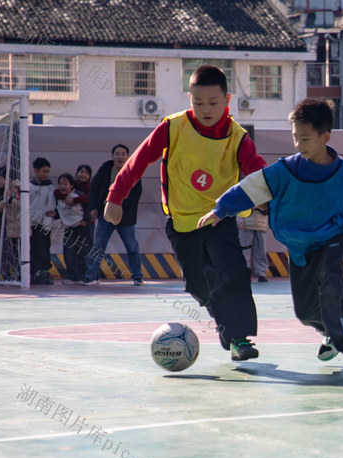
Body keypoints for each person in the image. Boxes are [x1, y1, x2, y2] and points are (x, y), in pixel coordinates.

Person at [203, 98, 343, 376]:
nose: (298, 144)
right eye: (295, 137)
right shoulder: (284, 172)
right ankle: (331, 332)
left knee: (332, 282)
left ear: (325, 137)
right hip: (300, 246)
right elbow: (250, 188)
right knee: (305, 311)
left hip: (334, 237)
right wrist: (221, 208)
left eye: (305, 138)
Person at [102, 65, 264, 361]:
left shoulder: (237, 138)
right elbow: (138, 161)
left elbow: (259, 171)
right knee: (199, 286)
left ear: (227, 100)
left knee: (232, 274)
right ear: (189, 98)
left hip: (219, 219)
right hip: (181, 224)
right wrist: (115, 196)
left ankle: (239, 338)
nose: (205, 109)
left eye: (213, 103)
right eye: (198, 102)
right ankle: (224, 322)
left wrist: (273, 196)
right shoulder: (172, 127)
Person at [79, 145, 144, 286]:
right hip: (106, 215)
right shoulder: (105, 169)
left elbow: (136, 195)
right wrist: (94, 208)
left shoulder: (133, 172)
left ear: (127, 156)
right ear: (112, 156)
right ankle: (91, 276)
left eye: (123, 154)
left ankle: (137, 277)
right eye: (117, 154)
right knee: (98, 246)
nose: (120, 157)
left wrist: (119, 205)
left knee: (132, 247)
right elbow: (94, 189)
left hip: (125, 218)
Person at [55, 173, 92, 285]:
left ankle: (88, 276)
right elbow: (60, 210)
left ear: (71, 185)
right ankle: (73, 276)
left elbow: (88, 207)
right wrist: (54, 214)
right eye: (60, 184)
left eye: (65, 184)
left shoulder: (78, 196)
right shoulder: (58, 197)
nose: (63, 186)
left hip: (81, 227)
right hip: (68, 228)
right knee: (69, 253)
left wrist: (86, 219)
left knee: (85, 252)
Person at [29, 157, 57, 285]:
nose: (46, 174)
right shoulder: (29, 187)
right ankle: (33, 273)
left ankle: (44, 272)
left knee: (44, 249)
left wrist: (47, 222)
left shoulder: (50, 187)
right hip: (31, 225)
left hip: (44, 225)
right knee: (32, 249)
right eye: (43, 171)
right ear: (36, 171)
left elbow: (50, 205)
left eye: (47, 171)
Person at [0, 165, 21, 281]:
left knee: (19, 252)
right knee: (14, 251)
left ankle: (21, 274)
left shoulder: (17, 187)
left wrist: (9, 200)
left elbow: (22, 204)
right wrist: (2, 204)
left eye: (0, 178)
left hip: (19, 225)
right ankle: (16, 273)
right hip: (12, 226)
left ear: (8, 178)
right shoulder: (8, 189)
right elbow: (5, 202)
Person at [239, 209, 269, 282]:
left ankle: (261, 274)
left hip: (261, 224)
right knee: (245, 251)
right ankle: (245, 273)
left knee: (261, 251)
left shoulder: (264, 198)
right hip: (246, 224)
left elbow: (267, 209)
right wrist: (240, 221)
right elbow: (238, 208)